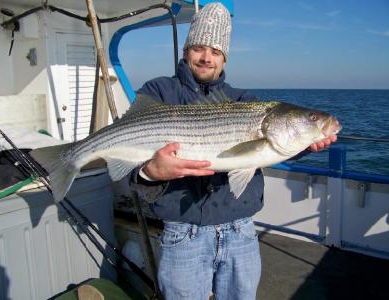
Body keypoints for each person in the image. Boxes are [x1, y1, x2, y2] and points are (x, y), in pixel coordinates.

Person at [130, 2, 338, 299]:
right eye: (199, 48)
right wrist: (150, 172)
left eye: (215, 52)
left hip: (240, 233)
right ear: (186, 51)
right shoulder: (159, 91)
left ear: (225, 58)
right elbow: (132, 171)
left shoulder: (244, 100)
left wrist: (307, 143)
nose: (206, 58)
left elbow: (269, 149)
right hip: (182, 235)